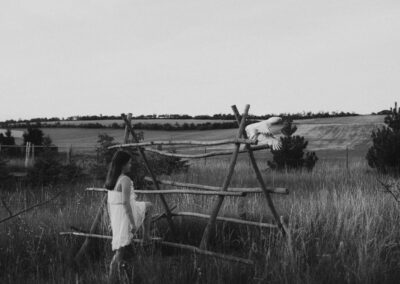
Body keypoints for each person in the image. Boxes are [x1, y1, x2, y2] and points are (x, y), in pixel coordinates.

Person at [105, 150, 154, 282]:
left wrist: (111, 221)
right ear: (123, 164)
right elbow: (126, 203)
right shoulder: (125, 179)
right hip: (125, 215)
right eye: (129, 163)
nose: (130, 165)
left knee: (148, 206)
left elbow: (110, 203)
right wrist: (132, 223)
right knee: (119, 252)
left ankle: (121, 276)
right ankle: (146, 237)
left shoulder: (112, 179)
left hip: (116, 215)